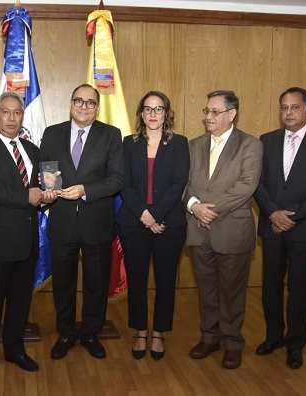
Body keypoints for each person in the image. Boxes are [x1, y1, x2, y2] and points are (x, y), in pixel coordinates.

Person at [0, 92, 58, 386]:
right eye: (5, 112)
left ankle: (14, 349)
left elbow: (46, 186)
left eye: (17, 113)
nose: (11, 118)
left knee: (20, 303)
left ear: (22, 117)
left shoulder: (34, 150)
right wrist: (27, 196)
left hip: (28, 242)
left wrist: (50, 192)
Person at [253, 87, 306, 369]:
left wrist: (292, 216)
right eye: (283, 107)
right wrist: (273, 213)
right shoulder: (266, 141)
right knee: (271, 286)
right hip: (272, 225)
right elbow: (258, 183)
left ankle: (295, 343)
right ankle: (274, 336)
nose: (288, 112)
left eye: (294, 107)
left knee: (300, 289)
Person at [40, 83, 124, 360]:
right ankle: (65, 333)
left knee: (96, 284)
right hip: (62, 221)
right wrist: (48, 187)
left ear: (97, 108)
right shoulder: (52, 133)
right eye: (79, 100)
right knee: (63, 282)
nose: (84, 106)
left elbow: (116, 178)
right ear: (71, 103)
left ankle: (90, 332)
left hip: (96, 221)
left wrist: (85, 190)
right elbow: (47, 173)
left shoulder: (111, 135)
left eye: (90, 103)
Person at [183, 90, 262, 370]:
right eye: (206, 111)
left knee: (231, 291)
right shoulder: (193, 145)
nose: (208, 117)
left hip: (231, 231)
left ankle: (232, 342)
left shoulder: (250, 145)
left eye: (215, 112)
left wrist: (208, 210)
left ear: (232, 114)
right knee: (206, 289)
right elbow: (183, 182)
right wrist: (194, 206)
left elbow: (246, 186)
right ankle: (209, 337)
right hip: (198, 229)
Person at [116, 91, 189, 361]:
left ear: (166, 113)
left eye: (159, 109)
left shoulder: (179, 144)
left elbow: (178, 183)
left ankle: (159, 332)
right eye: (147, 109)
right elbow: (123, 183)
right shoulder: (128, 143)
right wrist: (144, 216)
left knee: (166, 281)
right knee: (136, 280)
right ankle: (141, 331)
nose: (153, 114)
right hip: (134, 222)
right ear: (141, 114)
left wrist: (156, 215)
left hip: (169, 224)